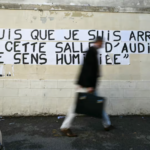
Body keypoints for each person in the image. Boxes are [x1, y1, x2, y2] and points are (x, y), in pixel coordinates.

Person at [60, 36, 113, 137]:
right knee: (76, 107)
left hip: (88, 85)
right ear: (99, 42)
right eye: (102, 42)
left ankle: (107, 124)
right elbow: (88, 69)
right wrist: (88, 86)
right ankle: (65, 127)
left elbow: (86, 69)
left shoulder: (93, 51)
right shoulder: (91, 51)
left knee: (98, 104)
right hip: (87, 85)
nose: (103, 44)